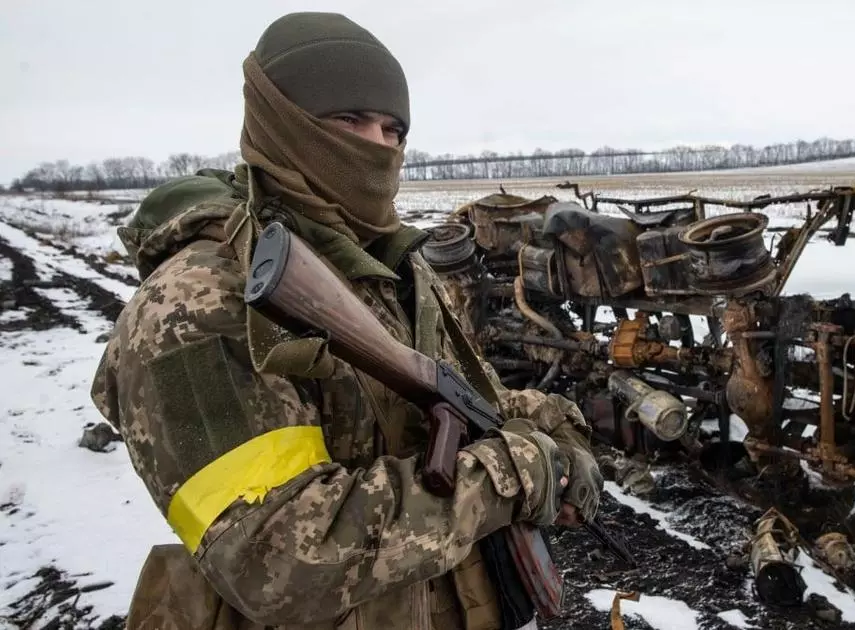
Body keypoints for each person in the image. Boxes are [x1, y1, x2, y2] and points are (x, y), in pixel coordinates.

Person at [90, 11, 602, 630]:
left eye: (393, 129)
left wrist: (552, 424)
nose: (377, 146)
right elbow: (281, 558)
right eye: (348, 120)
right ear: (279, 120)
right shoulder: (194, 302)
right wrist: (514, 474)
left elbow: (454, 397)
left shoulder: (381, 265)